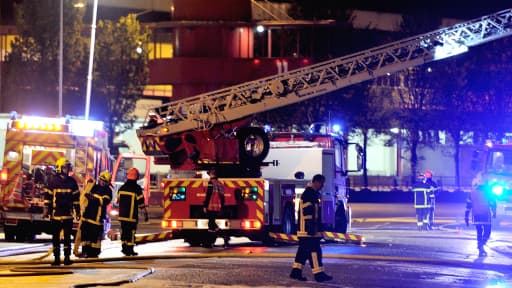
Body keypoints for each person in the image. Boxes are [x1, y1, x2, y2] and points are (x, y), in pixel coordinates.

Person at [290, 174, 333, 283]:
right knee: (315, 251)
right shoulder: (309, 194)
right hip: (308, 231)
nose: (322, 186)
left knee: (303, 252)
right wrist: (311, 227)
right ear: (316, 182)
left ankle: (296, 272)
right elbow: (308, 212)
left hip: (306, 230)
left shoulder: (311, 193)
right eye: (321, 183)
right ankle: (319, 274)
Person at [44, 157, 80, 266]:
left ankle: (67, 258)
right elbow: (48, 198)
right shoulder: (53, 181)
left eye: (68, 167)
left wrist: (78, 212)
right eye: (65, 167)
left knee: (67, 238)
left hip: (67, 215)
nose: (67, 169)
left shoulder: (72, 182)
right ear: (60, 168)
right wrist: (47, 210)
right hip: (56, 215)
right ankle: (56, 259)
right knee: (55, 238)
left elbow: (76, 200)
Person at [79, 171, 113, 258]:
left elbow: (104, 201)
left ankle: (94, 252)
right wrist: (88, 184)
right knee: (85, 234)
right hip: (87, 216)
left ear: (107, 182)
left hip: (97, 217)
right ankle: (85, 251)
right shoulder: (94, 187)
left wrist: (93, 198)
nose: (101, 182)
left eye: (103, 181)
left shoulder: (108, 190)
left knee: (94, 236)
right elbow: (85, 193)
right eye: (100, 180)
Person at [117, 167, 148, 256]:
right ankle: (129, 250)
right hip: (131, 217)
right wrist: (145, 213)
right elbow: (141, 203)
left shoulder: (122, 188)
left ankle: (124, 248)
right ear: (137, 177)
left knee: (124, 231)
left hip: (122, 216)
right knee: (131, 233)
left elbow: (117, 200)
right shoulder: (137, 188)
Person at [465, 174, 497, 257]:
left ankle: (480, 247)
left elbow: (468, 205)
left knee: (479, 231)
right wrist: (494, 212)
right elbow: (493, 203)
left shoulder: (473, 192)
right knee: (487, 231)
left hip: (476, 215)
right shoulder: (488, 192)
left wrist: (466, 217)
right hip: (485, 215)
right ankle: (481, 244)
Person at [202, 168, 227, 247]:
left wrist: (205, 205)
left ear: (212, 174)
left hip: (211, 206)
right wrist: (222, 207)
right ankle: (209, 242)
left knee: (211, 224)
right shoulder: (220, 184)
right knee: (211, 224)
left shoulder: (211, 183)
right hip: (217, 207)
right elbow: (222, 197)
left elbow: (208, 195)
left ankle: (223, 236)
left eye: (210, 174)